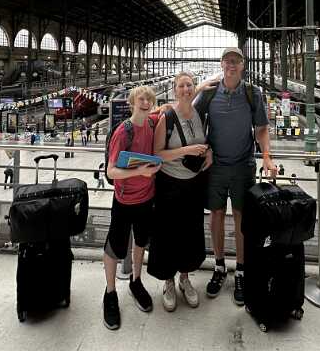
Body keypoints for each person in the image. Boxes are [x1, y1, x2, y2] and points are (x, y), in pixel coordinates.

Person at [194, 47, 274, 306]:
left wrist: (267, 156)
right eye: (227, 60)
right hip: (215, 166)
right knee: (215, 215)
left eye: (236, 61)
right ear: (221, 64)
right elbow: (190, 117)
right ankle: (219, 267)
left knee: (241, 218)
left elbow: (261, 128)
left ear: (242, 66)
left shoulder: (253, 93)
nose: (231, 64)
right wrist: (204, 148)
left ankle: (241, 269)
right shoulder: (209, 93)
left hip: (243, 166)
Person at [148, 72, 210, 312]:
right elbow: (157, 154)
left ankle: (185, 279)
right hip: (169, 184)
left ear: (194, 89)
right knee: (167, 234)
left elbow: (205, 142)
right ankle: (168, 282)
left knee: (190, 232)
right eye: (181, 85)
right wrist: (186, 150)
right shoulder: (167, 116)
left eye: (189, 85)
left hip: (193, 185)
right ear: (175, 90)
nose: (186, 89)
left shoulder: (199, 113)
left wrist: (208, 152)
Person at [101, 85, 160, 331]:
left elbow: (171, 107)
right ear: (132, 102)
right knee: (115, 246)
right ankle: (110, 293)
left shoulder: (152, 124)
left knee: (140, 241)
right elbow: (111, 171)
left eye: (149, 100)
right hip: (124, 200)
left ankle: (136, 280)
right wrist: (141, 171)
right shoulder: (123, 131)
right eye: (141, 99)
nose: (145, 103)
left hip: (147, 198)